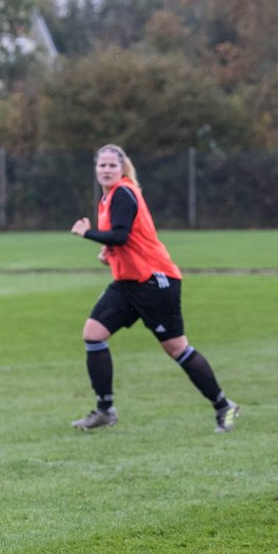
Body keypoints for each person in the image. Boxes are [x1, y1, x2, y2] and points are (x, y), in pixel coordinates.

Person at [69, 143, 241, 433]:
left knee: (177, 349)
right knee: (93, 334)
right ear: (96, 169)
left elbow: (120, 236)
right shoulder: (109, 198)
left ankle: (224, 406)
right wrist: (107, 253)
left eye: (112, 165)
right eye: (102, 165)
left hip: (155, 282)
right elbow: (123, 240)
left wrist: (87, 233)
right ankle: (105, 410)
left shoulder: (123, 192)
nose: (106, 169)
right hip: (128, 283)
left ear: (122, 168)